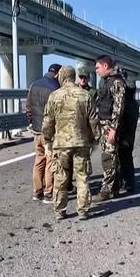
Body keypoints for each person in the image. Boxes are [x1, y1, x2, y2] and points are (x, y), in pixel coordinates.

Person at [42, 66, 100, 221]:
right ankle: (83, 210)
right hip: (81, 143)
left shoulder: (54, 96)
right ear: (73, 77)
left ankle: (60, 210)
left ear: (62, 77)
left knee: (61, 178)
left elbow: (48, 121)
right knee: (82, 177)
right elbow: (94, 120)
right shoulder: (85, 95)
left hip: (61, 144)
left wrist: (47, 140)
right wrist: (95, 138)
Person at [26, 63, 61, 204]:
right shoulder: (55, 88)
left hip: (36, 130)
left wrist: (31, 122)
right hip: (48, 132)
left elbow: (28, 106)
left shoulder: (34, 84)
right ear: (57, 74)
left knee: (39, 159)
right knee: (50, 160)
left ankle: (37, 192)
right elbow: (55, 113)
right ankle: (48, 193)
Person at [93, 55, 126, 202]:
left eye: (98, 68)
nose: (97, 71)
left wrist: (113, 129)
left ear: (105, 66)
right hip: (105, 124)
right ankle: (115, 187)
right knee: (113, 157)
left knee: (108, 157)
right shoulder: (107, 82)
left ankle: (106, 190)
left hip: (110, 126)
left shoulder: (116, 82)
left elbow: (119, 108)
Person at [116, 69, 139, 194]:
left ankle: (127, 183)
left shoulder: (127, 103)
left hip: (125, 135)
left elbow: (124, 122)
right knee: (126, 158)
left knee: (123, 158)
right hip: (129, 135)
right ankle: (127, 182)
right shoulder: (133, 103)